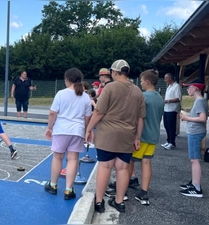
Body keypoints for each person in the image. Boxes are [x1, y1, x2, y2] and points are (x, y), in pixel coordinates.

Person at [86, 59, 145, 213]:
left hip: (108, 134)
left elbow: (99, 111)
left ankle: (99, 202)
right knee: (123, 168)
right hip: (127, 135)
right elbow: (140, 118)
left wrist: (89, 128)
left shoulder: (110, 88)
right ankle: (119, 201)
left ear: (115, 72)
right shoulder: (138, 91)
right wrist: (137, 137)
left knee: (105, 166)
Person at [44, 68, 92, 200]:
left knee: (57, 157)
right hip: (77, 130)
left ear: (67, 80)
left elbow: (53, 113)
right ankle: (69, 189)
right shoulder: (86, 97)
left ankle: (53, 185)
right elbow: (88, 117)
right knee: (72, 159)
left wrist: (49, 127)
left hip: (61, 130)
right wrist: (88, 131)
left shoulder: (61, 94)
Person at [128, 69, 164, 205]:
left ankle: (123, 188)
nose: (141, 83)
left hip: (141, 135)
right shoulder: (160, 98)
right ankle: (144, 193)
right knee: (147, 162)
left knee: (129, 162)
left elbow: (136, 117)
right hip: (153, 136)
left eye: (142, 81)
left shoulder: (143, 97)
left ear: (147, 82)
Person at [179, 79, 209, 198]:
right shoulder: (200, 100)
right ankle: (193, 183)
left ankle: (197, 188)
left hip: (195, 133)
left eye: (189, 87)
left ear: (195, 88)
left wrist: (187, 118)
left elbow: (203, 118)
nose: (187, 89)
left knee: (194, 159)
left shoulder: (199, 101)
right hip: (196, 132)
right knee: (193, 159)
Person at [161, 73, 182, 150]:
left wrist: (168, 101)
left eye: (166, 78)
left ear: (170, 78)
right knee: (166, 125)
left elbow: (178, 98)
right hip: (166, 108)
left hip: (172, 109)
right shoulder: (169, 86)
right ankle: (168, 140)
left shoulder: (176, 86)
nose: (165, 80)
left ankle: (172, 142)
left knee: (171, 126)